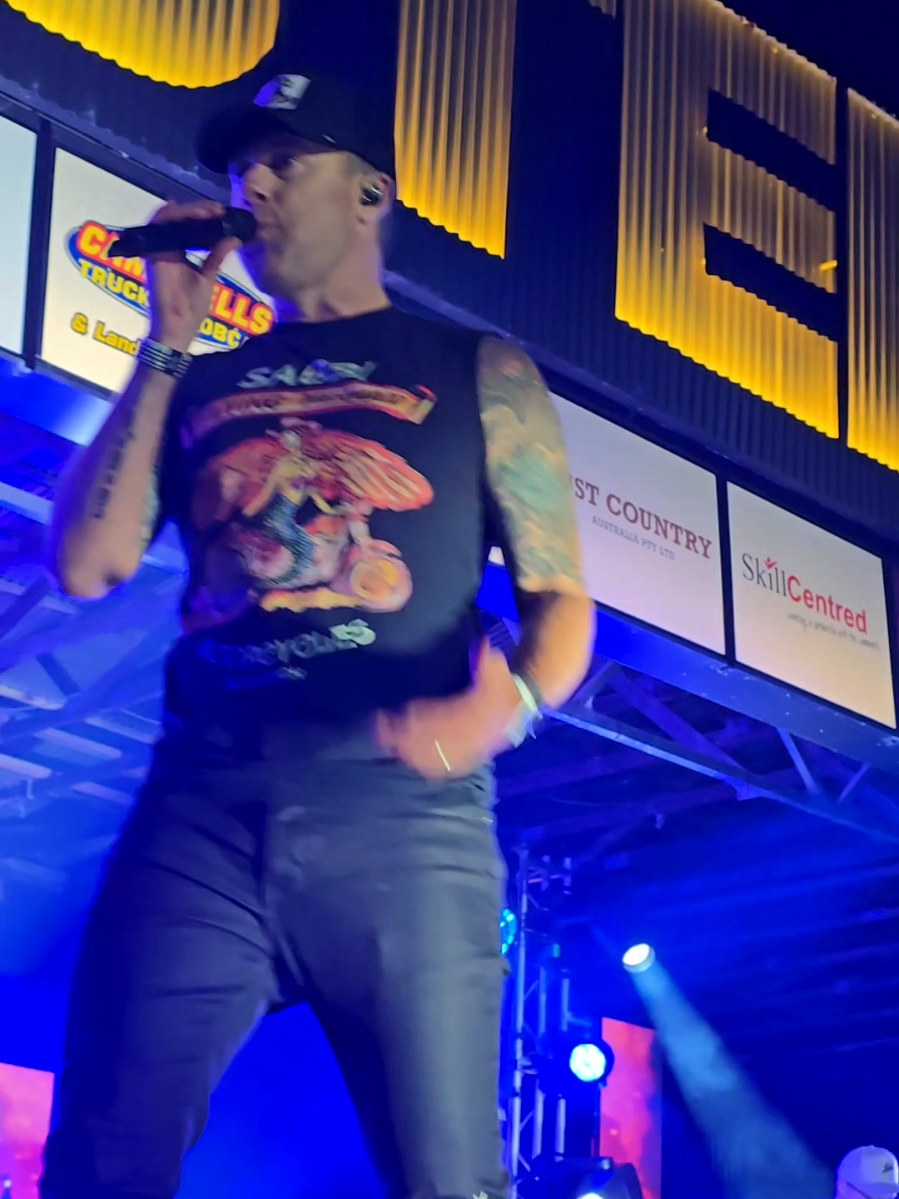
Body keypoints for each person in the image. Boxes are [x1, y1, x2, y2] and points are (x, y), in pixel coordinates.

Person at [41, 71, 595, 1199]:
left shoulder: (476, 370)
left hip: (404, 821)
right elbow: (87, 563)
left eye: (288, 162)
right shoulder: (200, 379)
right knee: (99, 1159)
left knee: (448, 1179)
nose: (255, 185)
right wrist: (166, 341)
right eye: (243, 168)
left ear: (369, 193)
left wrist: (506, 705)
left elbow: (560, 601)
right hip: (201, 813)